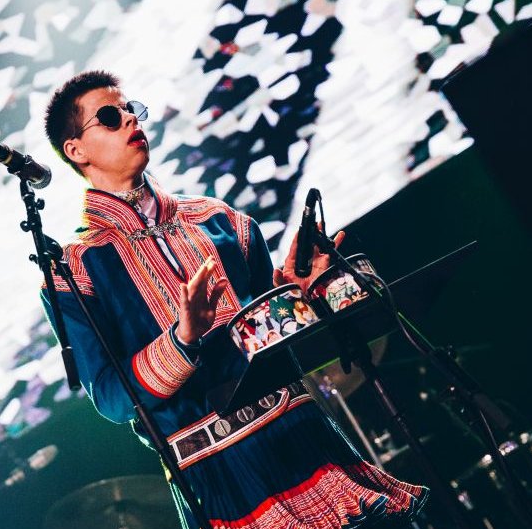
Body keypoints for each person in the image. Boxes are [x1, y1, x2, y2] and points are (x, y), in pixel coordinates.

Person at [40, 70, 427, 528]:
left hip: (300, 434)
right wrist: (182, 339)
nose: (130, 120)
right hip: (217, 473)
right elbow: (111, 398)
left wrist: (301, 292)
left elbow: (279, 333)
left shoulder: (222, 220)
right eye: (110, 117)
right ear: (76, 150)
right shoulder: (73, 270)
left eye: (131, 109)